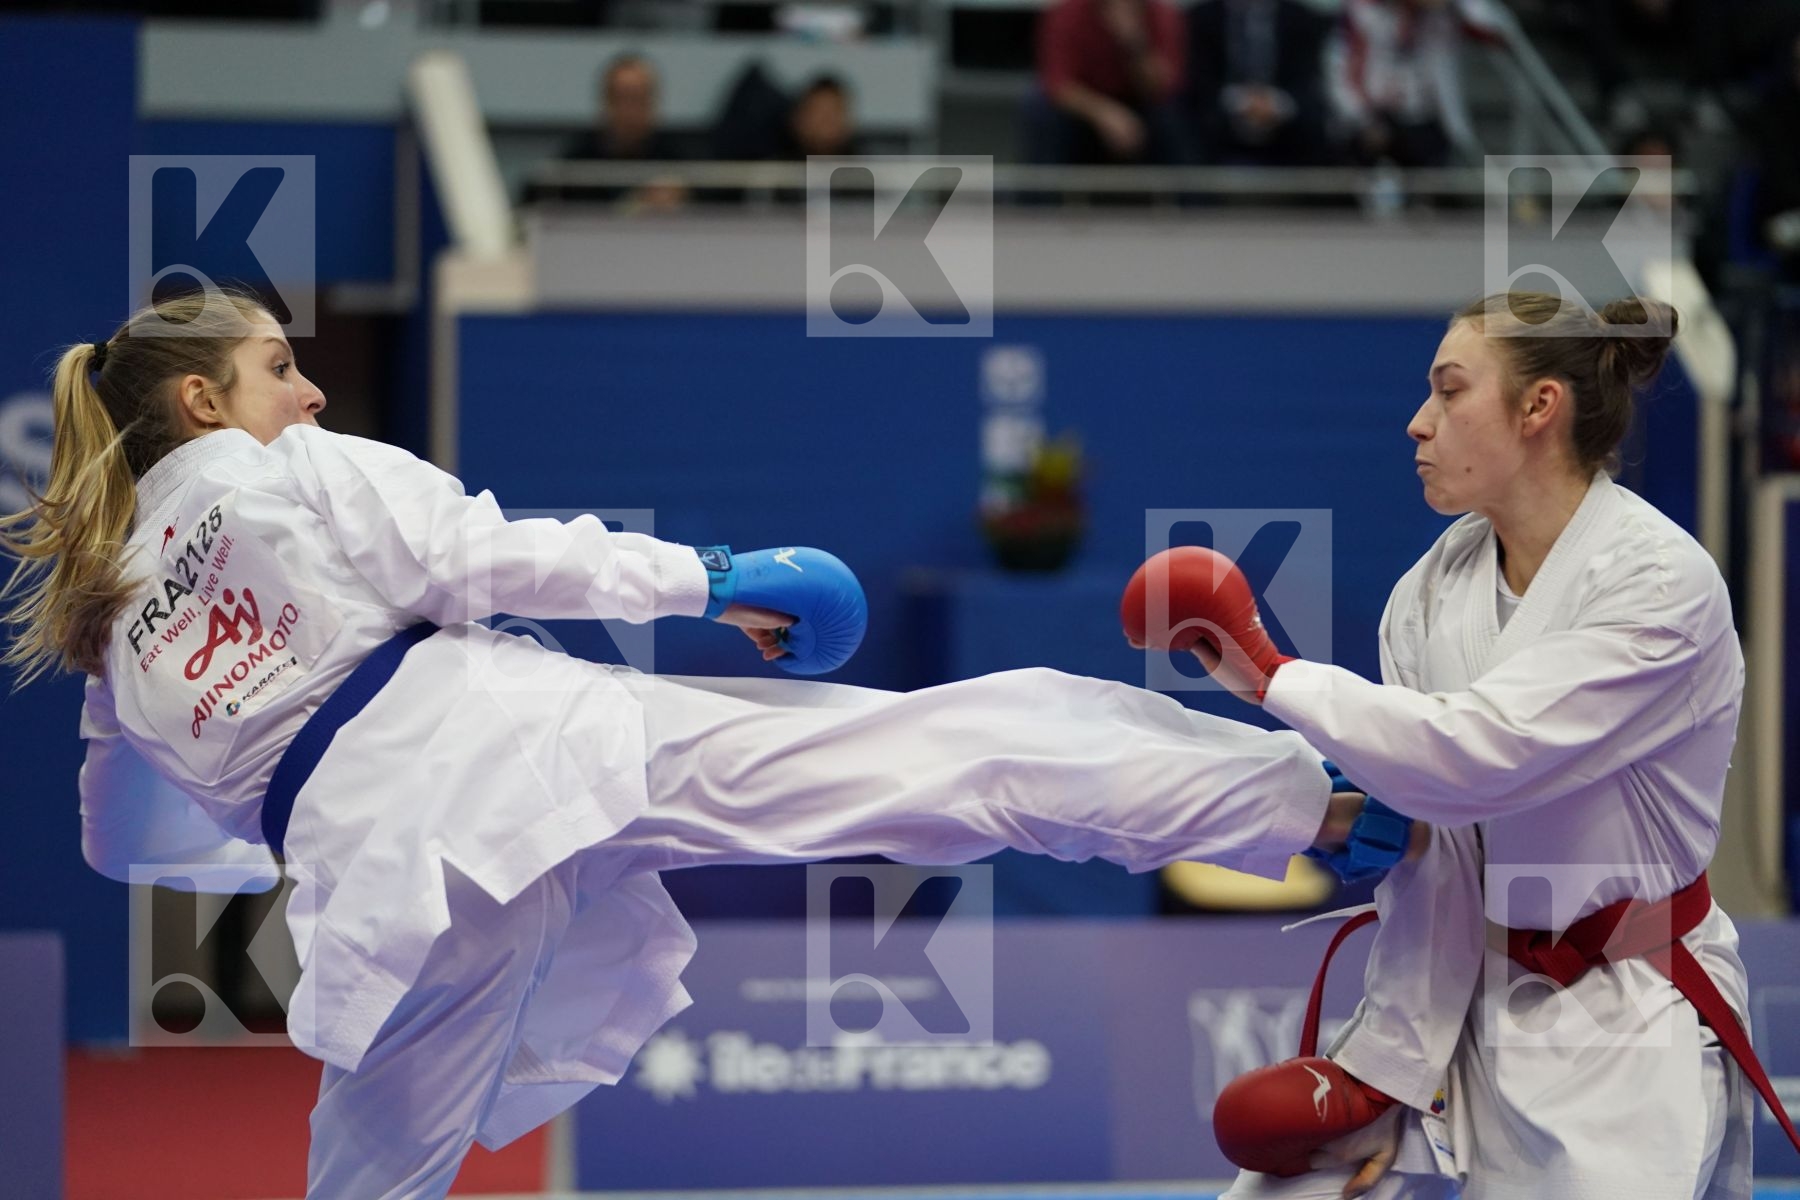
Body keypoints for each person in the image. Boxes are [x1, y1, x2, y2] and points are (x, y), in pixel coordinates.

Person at [1, 289, 1395, 1200]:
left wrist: (281, 811)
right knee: (948, 754)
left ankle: (1308, 807)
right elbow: (490, 555)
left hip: (391, 885)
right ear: (200, 403)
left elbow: (121, 842)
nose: (305, 392)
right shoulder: (287, 468)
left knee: (367, 1181)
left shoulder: (108, 628)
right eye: (276, 367)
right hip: (534, 751)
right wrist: (712, 581)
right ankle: (1317, 806)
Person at [1131, 292, 1777, 1199]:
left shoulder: (1659, 582)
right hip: (1461, 1003)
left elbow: (1479, 757)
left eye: (1448, 392)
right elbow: (1432, 854)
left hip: (1627, 1019)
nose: (1417, 423)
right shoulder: (1427, 595)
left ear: (1538, 408)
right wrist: (1382, 1076)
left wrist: (1272, 674)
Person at [1326, 0, 1500, 169]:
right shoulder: (1363, 10)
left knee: (1432, 161)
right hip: (1375, 117)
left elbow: (1494, 30)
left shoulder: (1443, 15)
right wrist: (1364, 119)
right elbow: (1341, 70)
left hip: (1427, 119)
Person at [1028, 0, 1189, 166]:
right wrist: (1105, 115)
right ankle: (1038, 189)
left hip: (1142, 107)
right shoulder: (1067, 13)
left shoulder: (1162, 14)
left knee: (1174, 114)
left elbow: (1164, 86)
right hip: (1086, 110)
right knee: (1040, 106)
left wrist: (1134, 42)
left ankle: (1191, 190)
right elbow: (1058, 83)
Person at [526, 53, 687, 210]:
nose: (629, 111)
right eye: (621, 98)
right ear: (605, 101)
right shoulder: (576, 162)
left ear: (654, 103)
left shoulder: (677, 162)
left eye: (638, 99)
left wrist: (684, 197)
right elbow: (533, 202)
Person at [1184, 0, 1332, 168]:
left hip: (1284, 114)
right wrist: (1243, 102)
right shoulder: (1202, 17)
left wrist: (1275, 103)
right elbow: (1201, 80)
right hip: (1222, 112)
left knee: (1318, 122)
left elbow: (1306, 78)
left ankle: (1321, 193)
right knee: (1187, 121)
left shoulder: (1301, 18)